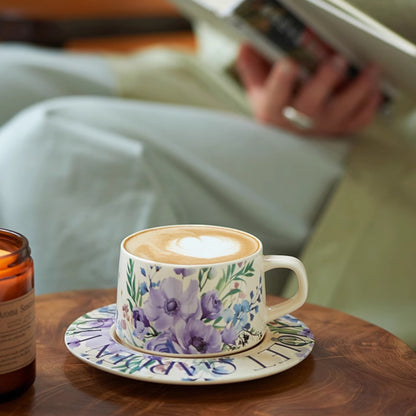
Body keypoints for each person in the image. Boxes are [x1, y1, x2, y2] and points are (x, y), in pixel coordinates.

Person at [0, 8, 414, 348]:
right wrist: (255, 58)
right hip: (230, 67)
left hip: (393, 124)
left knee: (54, 146)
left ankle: (95, 385)